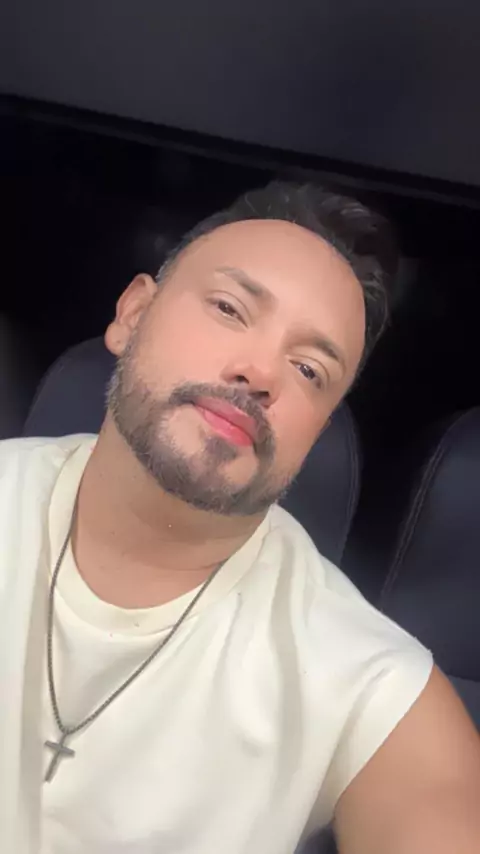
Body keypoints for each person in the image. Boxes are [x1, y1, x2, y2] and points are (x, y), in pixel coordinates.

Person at [0, 183, 479, 854]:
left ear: (318, 429)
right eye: (229, 308)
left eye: (309, 369)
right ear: (133, 314)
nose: (260, 373)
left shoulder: (370, 686)